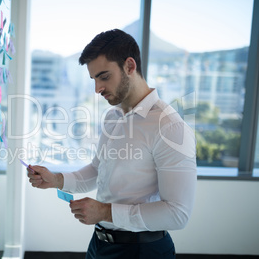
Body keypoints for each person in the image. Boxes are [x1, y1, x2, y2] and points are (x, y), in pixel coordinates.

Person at [27, 29, 197, 259]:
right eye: (94, 79)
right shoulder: (113, 117)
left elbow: (178, 214)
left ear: (129, 66)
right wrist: (56, 179)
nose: (97, 88)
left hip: (142, 251)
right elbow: (98, 170)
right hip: (99, 244)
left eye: (104, 77)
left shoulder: (170, 127)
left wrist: (104, 212)